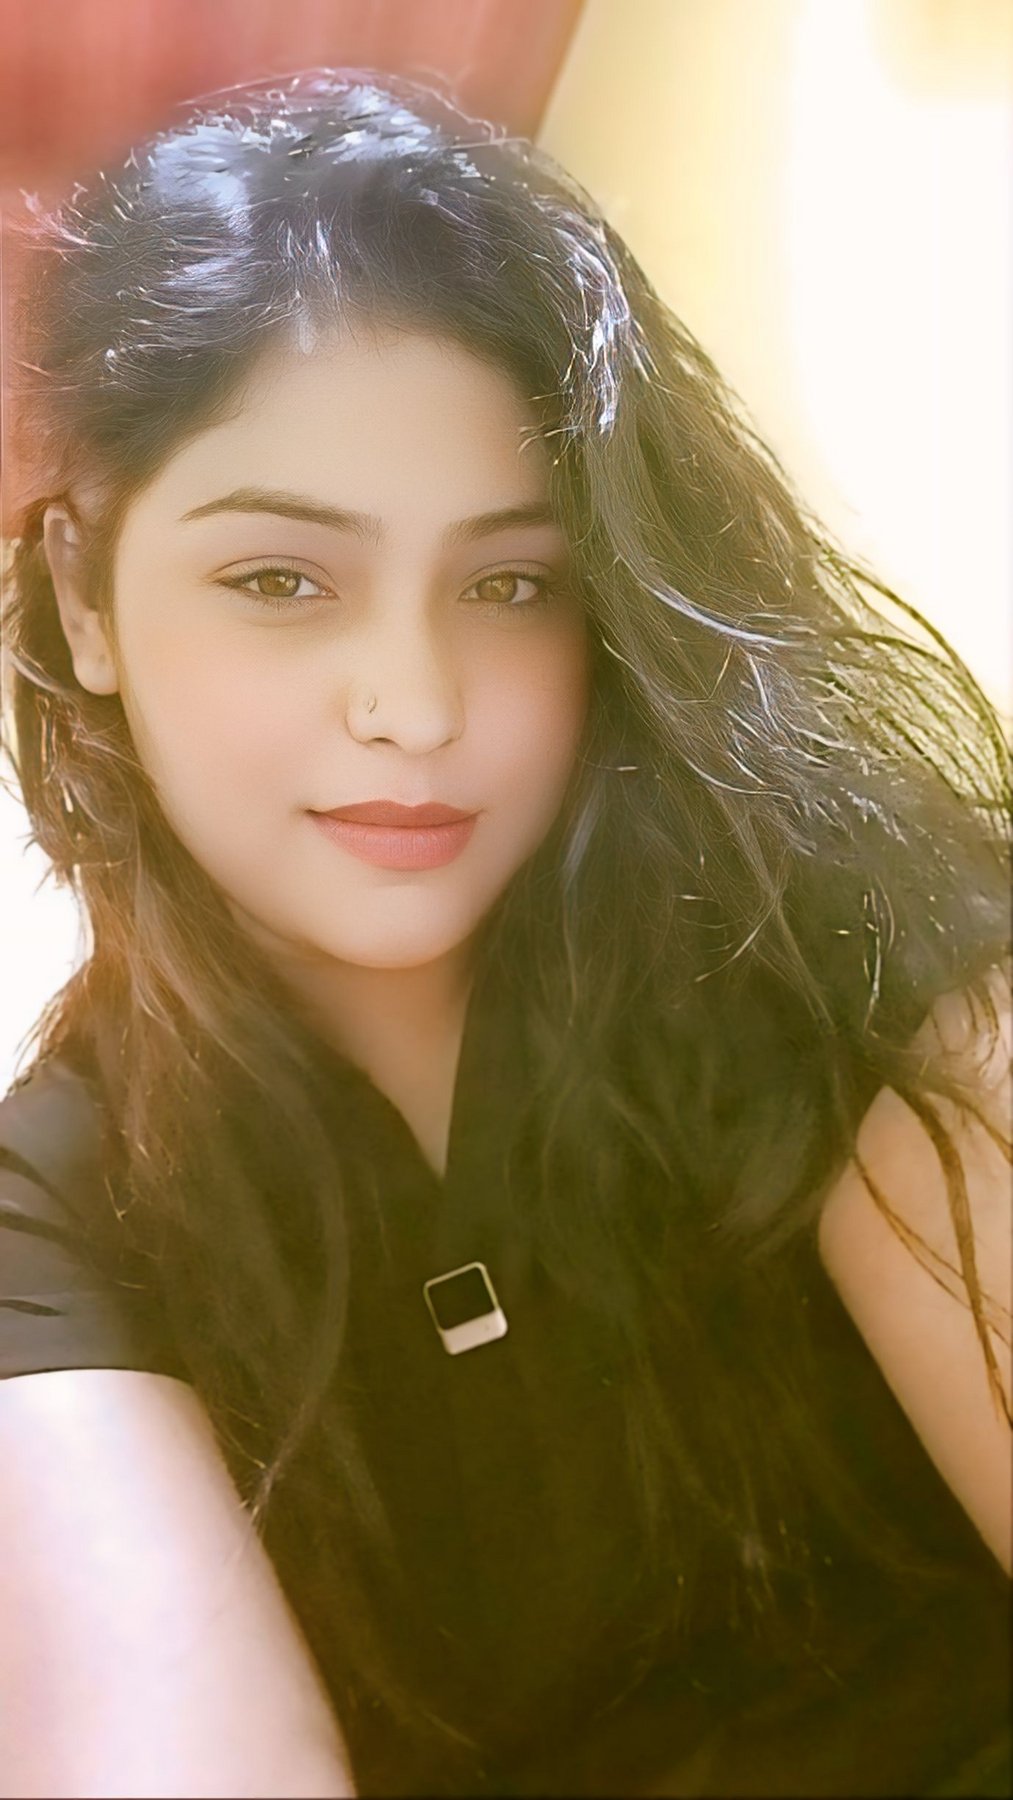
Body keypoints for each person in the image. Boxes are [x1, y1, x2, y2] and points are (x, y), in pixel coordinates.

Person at [0, 68, 1009, 1800]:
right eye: (280, 580)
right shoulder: (59, 1220)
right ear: (87, 594)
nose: (413, 705)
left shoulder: (854, 957)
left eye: (508, 584)